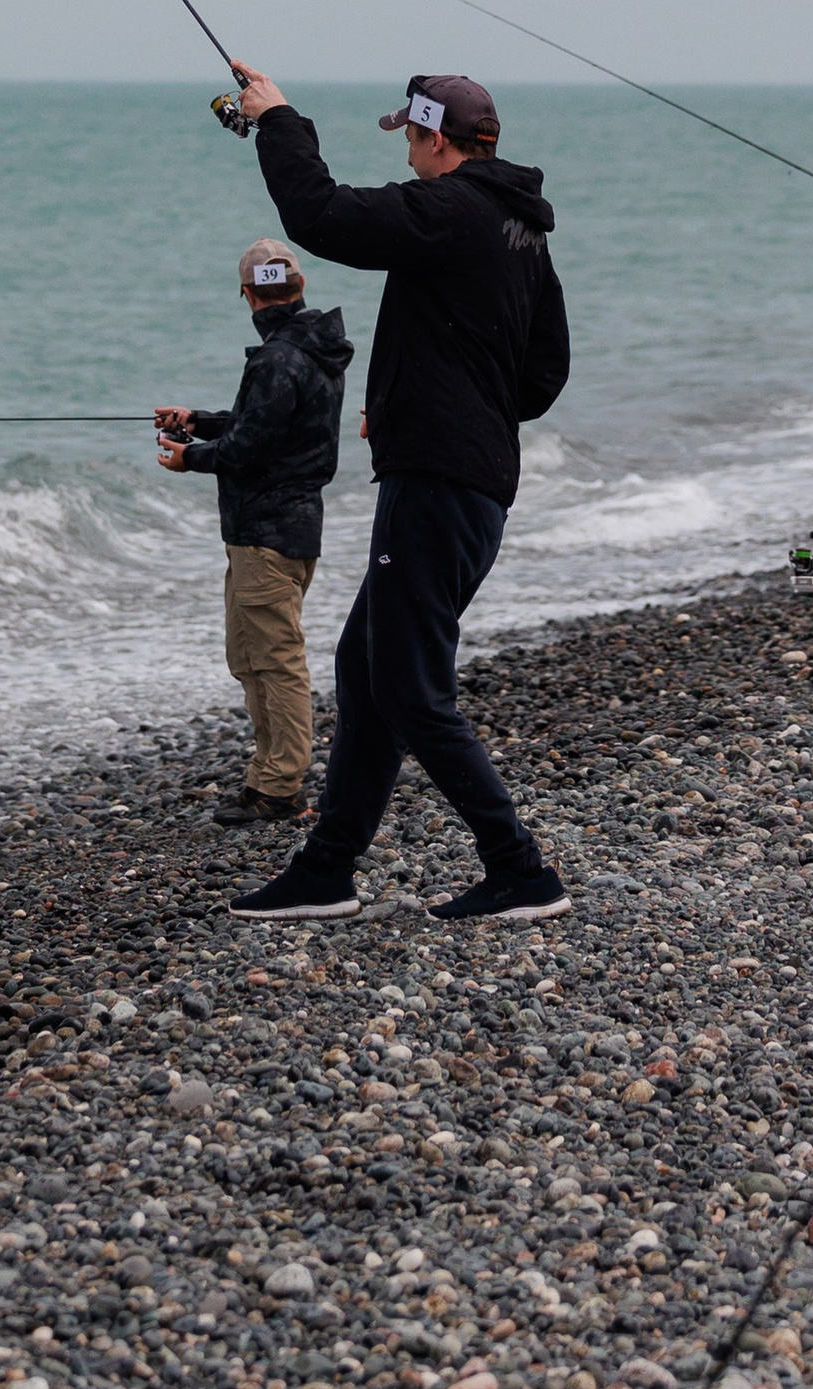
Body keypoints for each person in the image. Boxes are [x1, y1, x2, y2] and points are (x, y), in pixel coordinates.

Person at [215, 67, 572, 925]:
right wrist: (442, 406)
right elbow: (543, 372)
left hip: (441, 482)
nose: (408, 158)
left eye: (411, 141)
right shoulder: (522, 230)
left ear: (437, 139)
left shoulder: (451, 210)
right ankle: (328, 869)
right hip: (470, 477)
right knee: (366, 668)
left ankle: (519, 868)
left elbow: (321, 215)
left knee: (411, 685)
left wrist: (277, 119)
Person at [154, 243, 353, 826]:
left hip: (268, 534)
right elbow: (267, 426)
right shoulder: (310, 349)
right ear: (300, 284)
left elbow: (250, 448)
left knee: (276, 658)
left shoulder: (276, 359)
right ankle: (268, 777)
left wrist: (188, 458)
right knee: (250, 656)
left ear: (247, 294)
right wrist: (199, 421)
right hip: (279, 529)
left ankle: (281, 786)